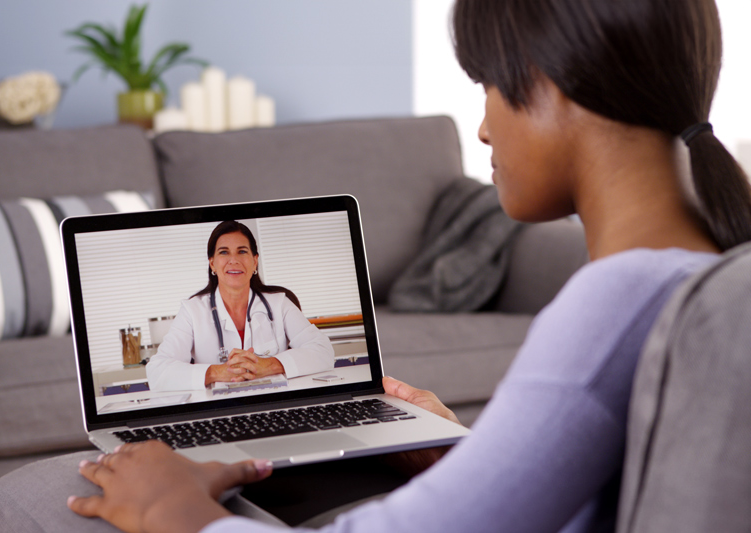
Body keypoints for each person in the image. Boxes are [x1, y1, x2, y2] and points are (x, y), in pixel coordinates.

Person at [67, 0, 751, 531]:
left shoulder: (618, 298)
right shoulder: (707, 271)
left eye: (486, 84)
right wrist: (470, 457)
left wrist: (173, 507)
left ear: (551, 82)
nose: (483, 127)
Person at [146, 220, 334, 391]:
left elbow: (323, 351)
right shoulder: (192, 311)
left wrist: (269, 365)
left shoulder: (279, 303)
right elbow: (157, 371)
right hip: (218, 412)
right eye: (224, 252)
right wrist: (217, 372)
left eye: (242, 251)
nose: (233, 260)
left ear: (254, 262)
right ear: (212, 264)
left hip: (275, 404)